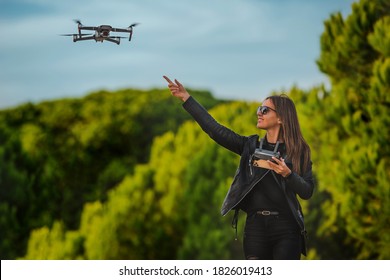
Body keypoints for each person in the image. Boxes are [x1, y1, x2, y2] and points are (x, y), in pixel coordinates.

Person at [163, 76, 315, 260]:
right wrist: (187, 99)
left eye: (265, 110)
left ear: (281, 118)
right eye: (259, 108)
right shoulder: (250, 146)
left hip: (287, 228)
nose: (259, 113)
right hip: (255, 227)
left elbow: (307, 191)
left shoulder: (299, 151)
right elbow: (215, 130)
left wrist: (288, 174)